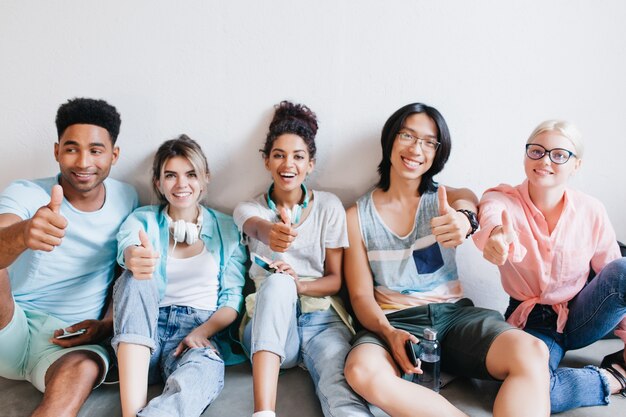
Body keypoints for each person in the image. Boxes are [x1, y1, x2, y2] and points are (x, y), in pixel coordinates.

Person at [342, 102, 551, 417]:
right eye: (408, 136)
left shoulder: (444, 198)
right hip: (394, 321)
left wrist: (466, 220)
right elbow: (359, 294)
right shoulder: (356, 216)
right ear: (390, 140)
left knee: (532, 351)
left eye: (429, 142)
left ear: (438, 152)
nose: (416, 148)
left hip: (454, 318)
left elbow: (467, 198)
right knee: (360, 371)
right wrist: (388, 332)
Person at [473, 120, 626, 412]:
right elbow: (490, 219)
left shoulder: (591, 209)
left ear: (576, 165)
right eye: (537, 151)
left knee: (624, 268)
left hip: (583, 312)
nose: (545, 160)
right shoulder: (500, 198)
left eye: (559, 155)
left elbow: (613, 275)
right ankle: (615, 377)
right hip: (533, 320)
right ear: (526, 154)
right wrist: (495, 237)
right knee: (536, 393)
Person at [233, 101, 373, 417]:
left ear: (310, 164)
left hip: (322, 321)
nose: (288, 164)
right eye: (279, 155)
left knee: (340, 388)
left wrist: (299, 285)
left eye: (298, 157)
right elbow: (256, 227)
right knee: (278, 282)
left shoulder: (329, 207)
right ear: (266, 160)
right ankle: (264, 412)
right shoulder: (249, 208)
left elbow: (336, 280)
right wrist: (273, 232)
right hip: (269, 328)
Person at [0, 98, 138, 417]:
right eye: (72, 148)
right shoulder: (25, 193)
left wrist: (106, 325)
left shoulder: (127, 198)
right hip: (10, 323)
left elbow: (123, 272)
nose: (83, 162)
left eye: (96, 150)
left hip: (72, 343)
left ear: (114, 155)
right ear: (57, 151)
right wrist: (23, 233)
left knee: (83, 369)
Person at [112, 135, 247, 417]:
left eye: (191, 174)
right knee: (134, 277)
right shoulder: (142, 220)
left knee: (206, 370)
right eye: (170, 175)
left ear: (205, 178)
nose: (181, 184)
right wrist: (133, 256)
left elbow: (232, 299)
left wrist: (203, 331)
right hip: (143, 330)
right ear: (158, 183)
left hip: (196, 330)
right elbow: (128, 246)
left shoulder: (227, 228)